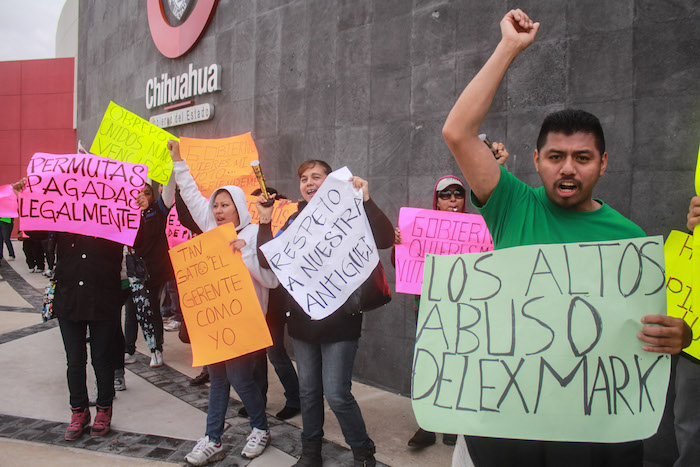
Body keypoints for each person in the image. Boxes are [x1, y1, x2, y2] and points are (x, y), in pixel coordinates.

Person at [441, 9, 692, 466]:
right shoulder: (511, 203)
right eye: (556, 156)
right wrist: (509, 48)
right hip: (505, 422)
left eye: (583, 157)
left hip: (587, 434)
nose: (568, 168)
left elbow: (650, 333)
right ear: (536, 160)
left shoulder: (630, 240)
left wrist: (680, 335)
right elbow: (457, 132)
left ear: (604, 163)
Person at [258, 160, 394, 467]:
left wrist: (367, 200)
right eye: (303, 178)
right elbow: (269, 263)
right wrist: (265, 222)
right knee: (308, 393)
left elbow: (385, 239)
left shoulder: (351, 210)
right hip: (304, 327)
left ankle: (362, 452)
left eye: (315, 177)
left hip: (340, 324)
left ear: (330, 182)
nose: (308, 183)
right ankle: (311, 454)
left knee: (336, 394)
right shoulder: (294, 222)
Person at [168, 140, 279, 464]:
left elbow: (271, 280)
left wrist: (242, 256)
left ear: (239, 209)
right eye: (215, 205)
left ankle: (260, 428)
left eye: (225, 205)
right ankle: (212, 438)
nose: (217, 211)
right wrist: (179, 162)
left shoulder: (254, 236)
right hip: (215, 323)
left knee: (241, 378)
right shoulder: (211, 232)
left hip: (245, 324)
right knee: (217, 379)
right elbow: (189, 192)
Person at [398, 145, 509, 449]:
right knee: (427, 365)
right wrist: (400, 244)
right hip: (430, 309)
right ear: (436, 200)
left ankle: (450, 423)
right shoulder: (420, 229)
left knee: (457, 365)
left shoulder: (480, 228)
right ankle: (426, 425)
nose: (453, 200)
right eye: (445, 195)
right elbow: (404, 266)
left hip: (466, 310)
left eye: (458, 194)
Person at [13, 178, 122, 441]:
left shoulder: (113, 215)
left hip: (103, 298)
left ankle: (104, 409)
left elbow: (137, 236)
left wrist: (137, 206)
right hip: (69, 297)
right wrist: (25, 198)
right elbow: (36, 231)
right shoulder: (63, 214)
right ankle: (79, 411)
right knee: (74, 359)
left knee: (101, 359)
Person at [128, 181, 176, 368]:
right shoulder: (127, 213)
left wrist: (174, 162)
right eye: (138, 193)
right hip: (132, 270)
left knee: (152, 308)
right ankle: (128, 349)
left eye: (147, 193)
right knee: (131, 310)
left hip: (153, 271)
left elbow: (170, 190)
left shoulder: (158, 211)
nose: (142, 197)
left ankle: (156, 349)